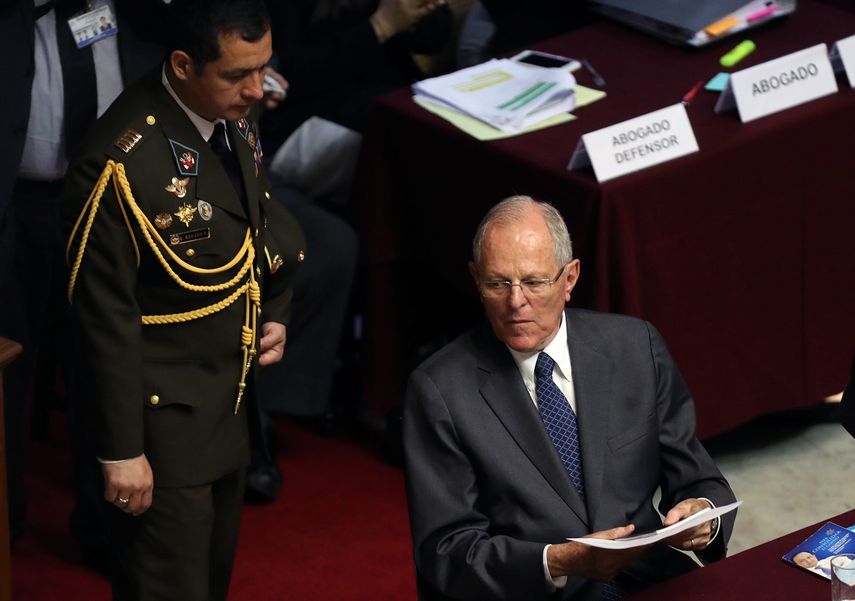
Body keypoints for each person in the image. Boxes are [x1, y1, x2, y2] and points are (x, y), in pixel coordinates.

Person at [62, 1, 304, 598]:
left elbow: (254, 219)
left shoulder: (227, 109)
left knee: (211, 580)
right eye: (237, 74)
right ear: (182, 65)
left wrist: (273, 309)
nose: (257, 88)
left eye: (264, 67)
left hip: (227, 400)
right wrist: (122, 452)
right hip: (161, 425)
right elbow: (103, 321)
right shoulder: (119, 165)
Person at [403, 195, 737, 600]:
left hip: (647, 577)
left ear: (570, 279)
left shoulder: (635, 347)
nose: (515, 302)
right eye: (497, 284)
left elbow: (698, 478)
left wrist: (702, 515)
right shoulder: (440, 391)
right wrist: (559, 561)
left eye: (533, 282)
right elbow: (447, 551)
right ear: (476, 280)